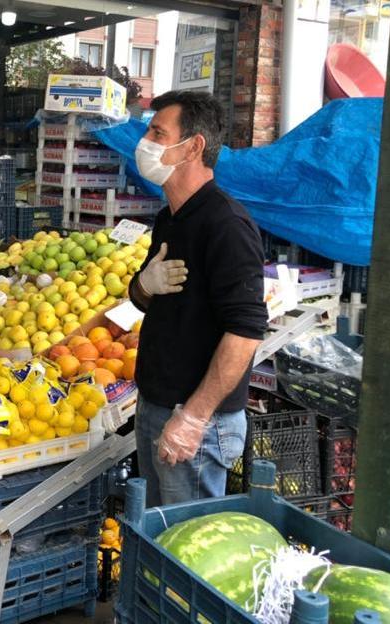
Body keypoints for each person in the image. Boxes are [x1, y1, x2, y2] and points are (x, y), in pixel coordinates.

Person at [128, 90, 268, 507]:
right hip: (155, 403)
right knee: (159, 533)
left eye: (158, 133)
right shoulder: (169, 219)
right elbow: (142, 300)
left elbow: (245, 331)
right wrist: (144, 285)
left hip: (197, 421)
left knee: (189, 537)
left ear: (193, 147)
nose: (145, 142)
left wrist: (193, 416)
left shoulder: (226, 225)